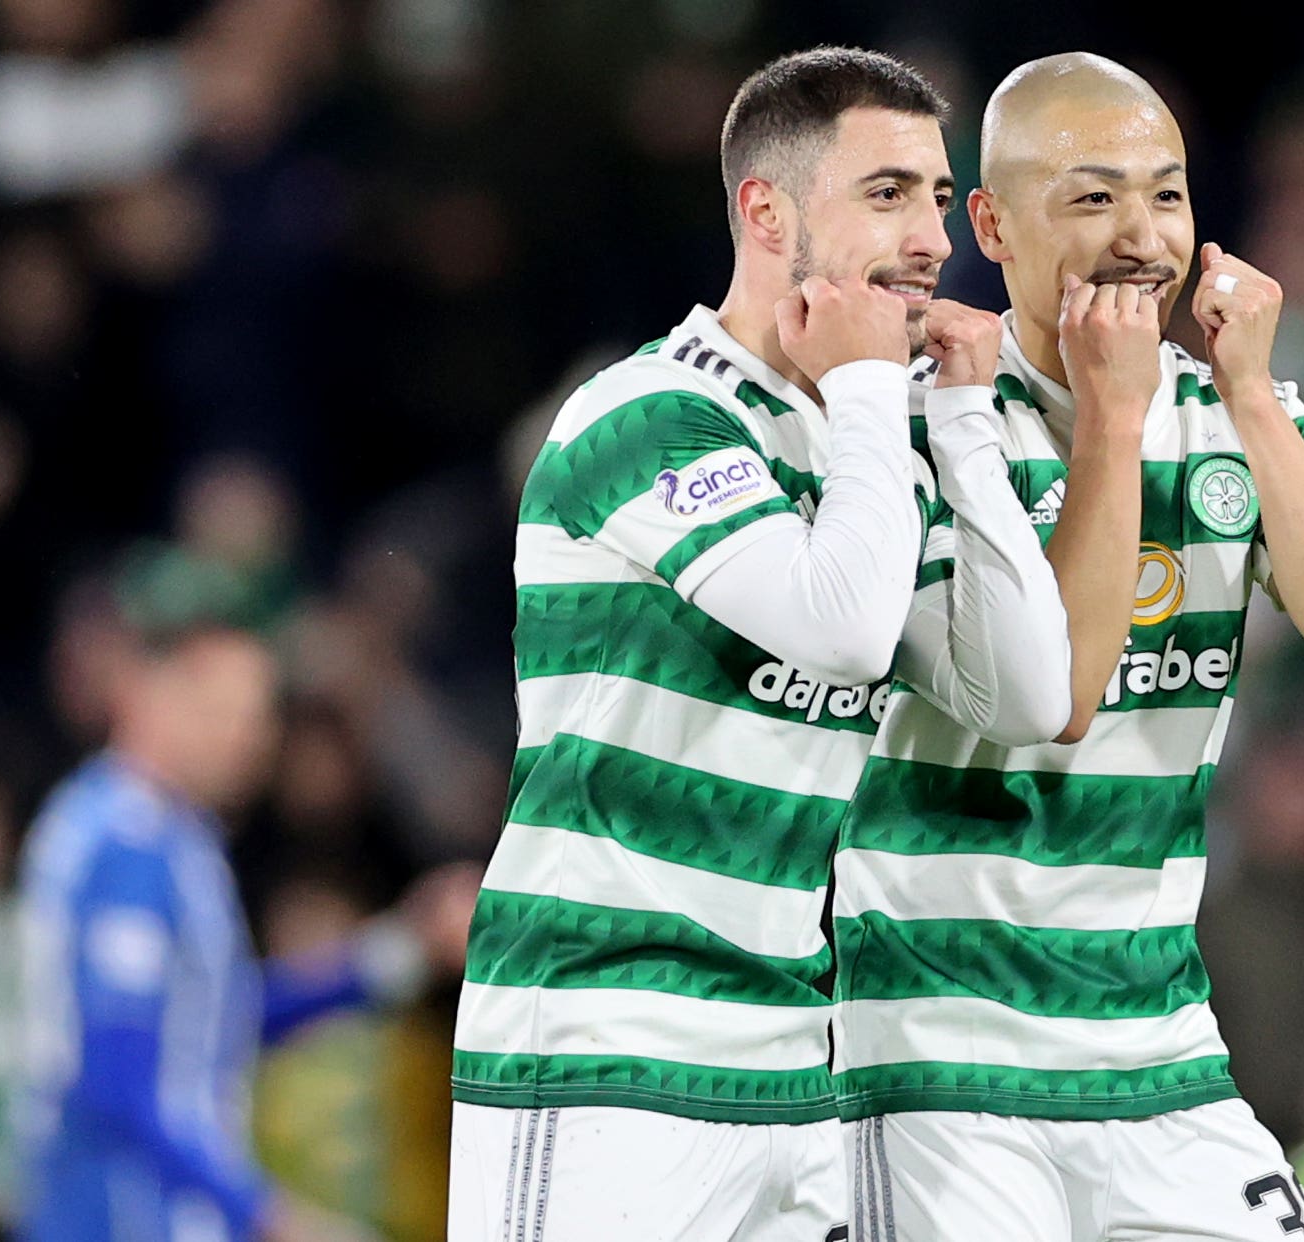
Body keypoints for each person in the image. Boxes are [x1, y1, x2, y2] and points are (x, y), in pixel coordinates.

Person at [447, 46, 1083, 1242]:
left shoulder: (874, 442)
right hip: (604, 1052)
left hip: (797, 1065)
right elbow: (842, 631)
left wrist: (956, 424)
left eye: (938, 198)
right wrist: (865, 401)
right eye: (886, 193)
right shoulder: (647, 414)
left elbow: (1029, 694)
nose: (931, 238)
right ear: (765, 210)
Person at [832, 53, 1304, 1241]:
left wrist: (1249, 398)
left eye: (1167, 193)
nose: (1142, 235)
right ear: (989, 224)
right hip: (939, 1053)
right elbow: (1063, 694)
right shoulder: (909, 422)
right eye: (1093, 198)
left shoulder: (1237, 417)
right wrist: (1110, 413)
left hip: (1158, 1048)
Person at [15, 572, 476, 1242]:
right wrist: (270, 1219)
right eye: (224, 710)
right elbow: (115, 1085)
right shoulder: (120, 843)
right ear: (151, 694)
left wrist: (401, 950)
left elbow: (215, 1022)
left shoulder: (180, 841)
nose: (251, 738)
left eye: (259, 714)